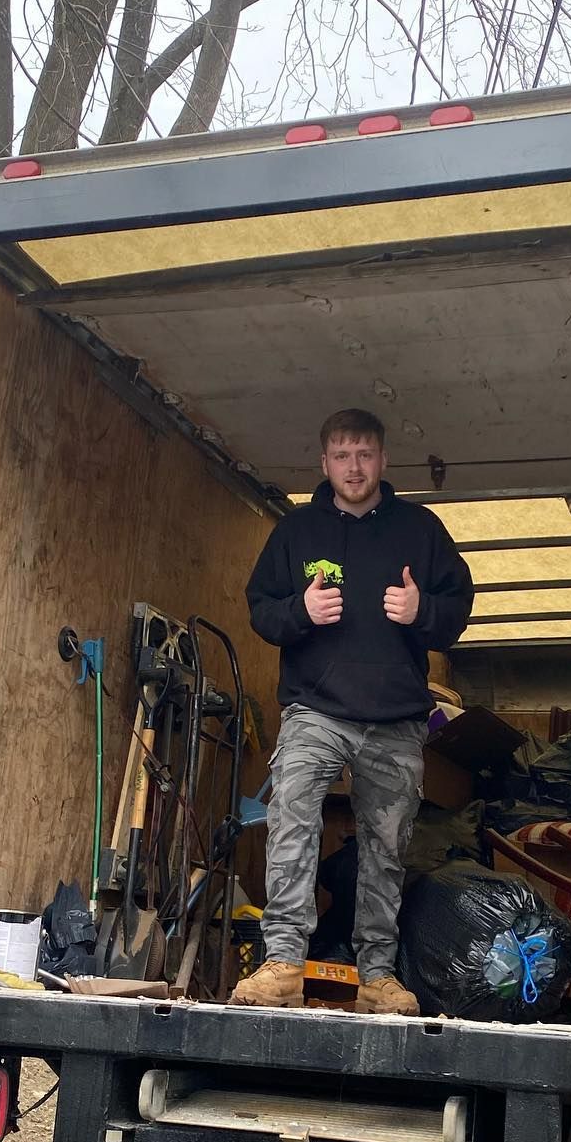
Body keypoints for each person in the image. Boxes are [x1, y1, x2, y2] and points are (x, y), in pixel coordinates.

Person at [233, 408, 474, 1014]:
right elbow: (261, 609)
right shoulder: (295, 531)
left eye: (365, 454)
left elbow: (458, 612)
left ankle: (377, 975)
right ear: (324, 463)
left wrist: (421, 610)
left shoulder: (420, 530)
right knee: (292, 820)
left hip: (395, 718)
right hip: (316, 710)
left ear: (383, 460)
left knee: (386, 847)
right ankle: (283, 961)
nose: (354, 467)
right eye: (342, 455)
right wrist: (299, 613)